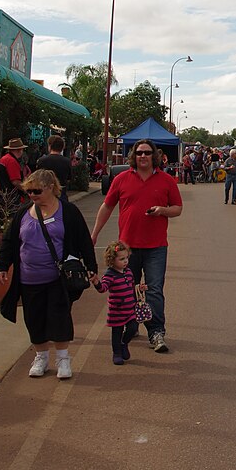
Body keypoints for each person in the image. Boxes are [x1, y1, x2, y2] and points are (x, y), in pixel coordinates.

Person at [0, 169, 97, 380]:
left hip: (57, 278)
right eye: (29, 191)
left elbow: (84, 240)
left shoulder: (68, 212)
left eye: (36, 191)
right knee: (34, 319)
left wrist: (91, 266)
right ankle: (41, 357)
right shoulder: (23, 212)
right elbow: (9, 241)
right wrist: (2, 266)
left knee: (59, 317)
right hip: (28, 278)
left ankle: (63, 358)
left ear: (51, 187)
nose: (32, 195)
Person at [91, 139, 183, 352]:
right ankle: (131, 326)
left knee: (154, 290)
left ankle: (157, 332)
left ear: (154, 156)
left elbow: (177, 208)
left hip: (156, 247)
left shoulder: (166, 180)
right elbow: (107, 207)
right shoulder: (122, 179)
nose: (143, 156)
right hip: (126, 248)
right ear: (134, 155)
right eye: (139, 153)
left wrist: (162, 210)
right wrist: (94, 234)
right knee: (126, 290)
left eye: (147, 153)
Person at [90, 239, 145, 365]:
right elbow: (103, 288)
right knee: (116, 333)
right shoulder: (110, 275)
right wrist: (96, 282)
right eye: (121, 259)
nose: (125, 261)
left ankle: (124, 343)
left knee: (133, 328)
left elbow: (132, 288)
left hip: (130, 309)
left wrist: (139, 289)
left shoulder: (129, 272)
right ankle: (117, 352)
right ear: (112, 260)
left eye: (126, 258)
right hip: (117, 311)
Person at [37, 135, 73, 204]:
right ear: (62, 147)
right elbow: (69, 178)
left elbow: (38, 179)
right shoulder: (67, 161)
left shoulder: (42, 160)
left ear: (50, 146)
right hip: (61, 193)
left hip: (45, 193)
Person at [0, 138, 28, 207]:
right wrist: (26, 190)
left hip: (3, 194)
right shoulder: (12, 161)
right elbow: (15, 181)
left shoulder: (4, 158)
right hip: (11, 197)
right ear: (19, 150)